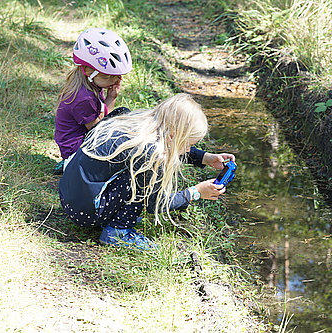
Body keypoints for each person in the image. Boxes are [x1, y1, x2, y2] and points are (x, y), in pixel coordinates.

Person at [58, 93, 236, 250]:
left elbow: (174, 147)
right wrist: (195, 193)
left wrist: (205, 158)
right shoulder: (150, 154)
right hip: (85, 212)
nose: (189, 149)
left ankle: (110, 214)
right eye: (188, 145)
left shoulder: (133, 120)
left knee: (135, 173)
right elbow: (156, 204)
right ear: (172, 137)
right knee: (140, 179)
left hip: (69, 195)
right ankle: (118, 231)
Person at [54, 28, 132, 174]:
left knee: (123, 117)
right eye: (108, 77)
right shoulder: (84, 98)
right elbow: (98, 131)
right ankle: (71, 165)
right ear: (88, 71)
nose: (116, 80)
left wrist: (110, 98)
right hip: (76, 151)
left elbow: (101, 117)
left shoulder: (90, 85)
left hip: (84, 139)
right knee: (120, 141)